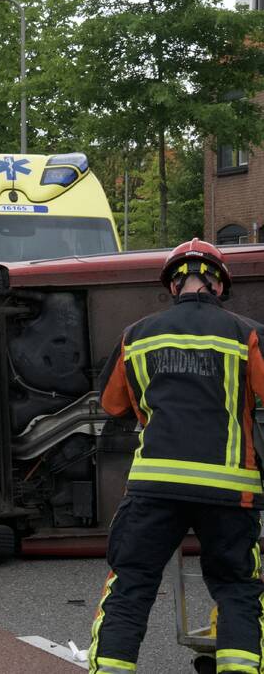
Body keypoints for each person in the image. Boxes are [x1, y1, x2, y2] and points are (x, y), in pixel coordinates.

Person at [89, 238, 264, 674]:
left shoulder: (137, 335)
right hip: (229, 489)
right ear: (219, 286)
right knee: (237, 587)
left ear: (172, 286)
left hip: (155, 486)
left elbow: (112, 404)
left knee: (131, 583)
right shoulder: (246, 333)